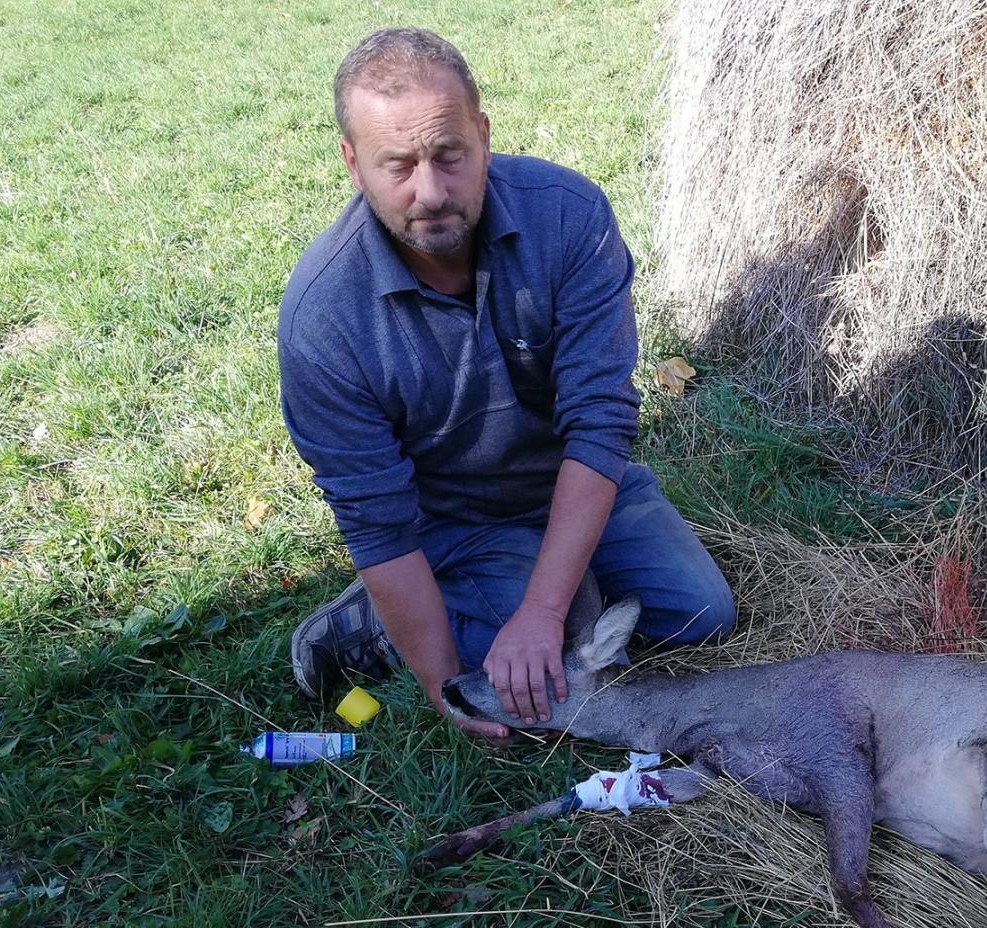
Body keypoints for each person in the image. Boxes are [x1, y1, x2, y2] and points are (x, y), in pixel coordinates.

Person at [278, 28, 735, 739]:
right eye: (396, 165)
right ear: (351, 162)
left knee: (703, 613)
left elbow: (601, 422)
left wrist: (545, 609)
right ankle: (367, 621)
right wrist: (443, 690)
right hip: (448, 518)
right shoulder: (323, 319)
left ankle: (548, 584)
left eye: (449, 156)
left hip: (568, 478)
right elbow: (377, 521)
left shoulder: (570, 217)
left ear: (483, 136)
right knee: (523, 672)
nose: (430, 192)